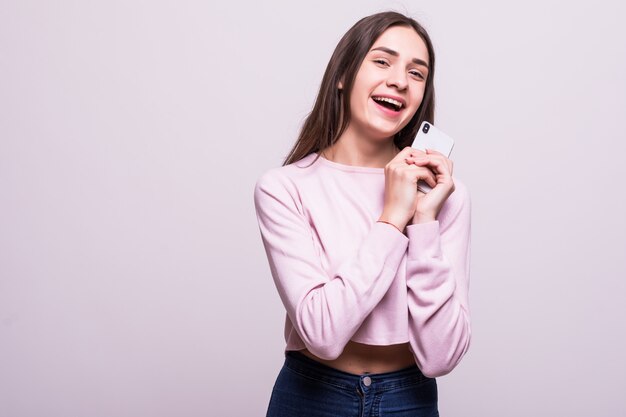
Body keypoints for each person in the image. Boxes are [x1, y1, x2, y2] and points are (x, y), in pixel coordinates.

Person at [253, 10, 471, 417]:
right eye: (382, 61)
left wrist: (423, 220)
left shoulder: (445, 197)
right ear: (342, 74)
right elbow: (322, 333)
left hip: (410, 398)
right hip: (311, 396)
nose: (399, 81)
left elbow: (441, 357)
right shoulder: (283, 188)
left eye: (417, 73)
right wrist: (392, 218)